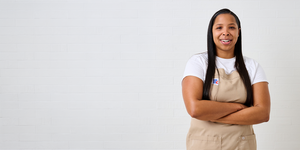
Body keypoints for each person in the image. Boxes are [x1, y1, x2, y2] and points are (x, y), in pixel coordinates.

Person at [181, 8, 270, 150]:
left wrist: (211, 115)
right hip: (203, 145)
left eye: (232, 27)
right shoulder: (198, 62)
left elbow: (263, 113)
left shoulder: (252, 66)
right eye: (219, 27)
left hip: (242, 145)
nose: (226, 32)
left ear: (238, 32)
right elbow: (195, 109)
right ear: (212, 32)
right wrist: (238, 107)